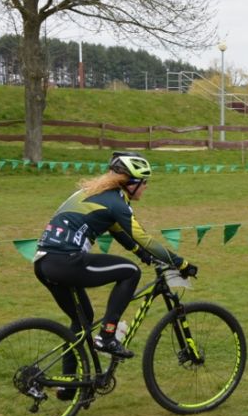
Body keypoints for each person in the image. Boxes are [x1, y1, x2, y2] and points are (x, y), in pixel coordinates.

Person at [34, 151, 197, 362]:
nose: (146, 186)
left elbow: (118, 231)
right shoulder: (117, 203)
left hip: (44, 262)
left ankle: (70, 381)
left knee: (82, 322)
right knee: (130, 272)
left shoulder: (97, 193)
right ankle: (107, 336)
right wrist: (181, 263)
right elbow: (144, 239)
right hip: (66, 261)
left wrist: (142, 254)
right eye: (144, 182)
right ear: (131, 183)